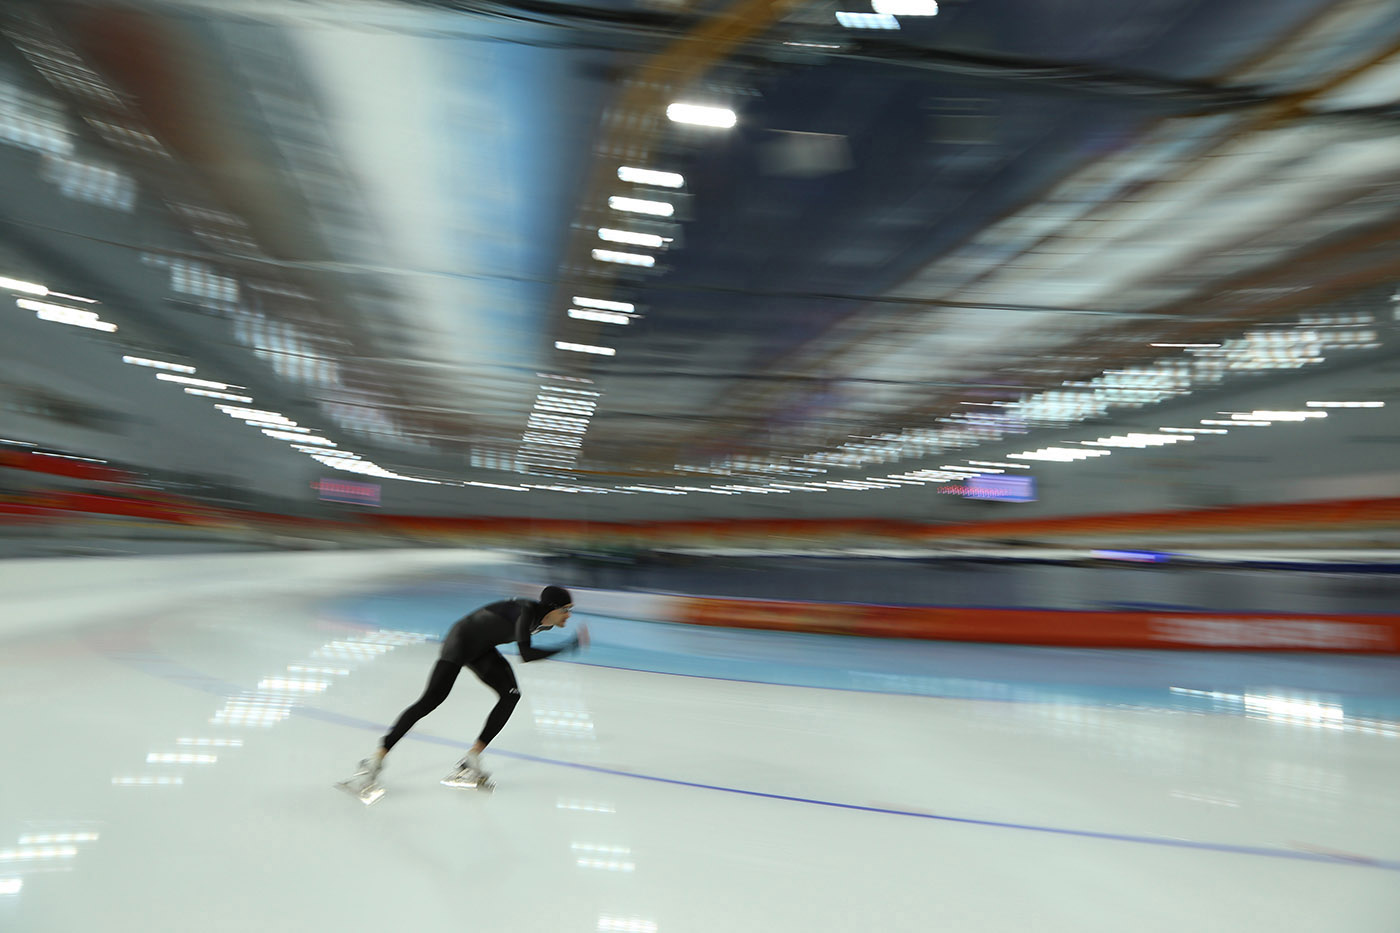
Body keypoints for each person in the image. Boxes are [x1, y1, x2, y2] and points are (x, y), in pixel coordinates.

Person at [352, 585, 585, 788]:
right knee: (431, 700)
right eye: (566, 610)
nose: (568, 615)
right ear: (552, 608)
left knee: (511, 694)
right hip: (461, 640)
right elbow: (526, 654)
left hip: (483, 649)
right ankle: (376, 759)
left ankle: (471, 759)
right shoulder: (527, 612)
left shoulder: (546, 623)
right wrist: (568, 646)